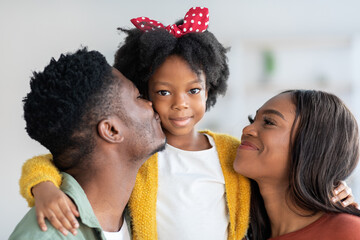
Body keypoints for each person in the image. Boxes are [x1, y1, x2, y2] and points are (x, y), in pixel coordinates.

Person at [16, 7, 355, 240]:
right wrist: (42, 187)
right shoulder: (141, 153)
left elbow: (290, 182)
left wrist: (329, 188)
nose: (179, 104)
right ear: (147, 93)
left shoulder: (233, 156)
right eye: (162, 92)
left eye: (193, 90)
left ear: (210, 89)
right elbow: (60, 159)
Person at [9, 48, 166, 239]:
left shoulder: (140, 217)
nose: (151, 104)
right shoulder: (45, 236)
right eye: (138, 96)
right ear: (111, 130)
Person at [234, 90, 360, 240]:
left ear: (313, 146)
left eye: (268, 122)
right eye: (252, 120)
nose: (246, 129)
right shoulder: (237, 230)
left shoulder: (349, 232)